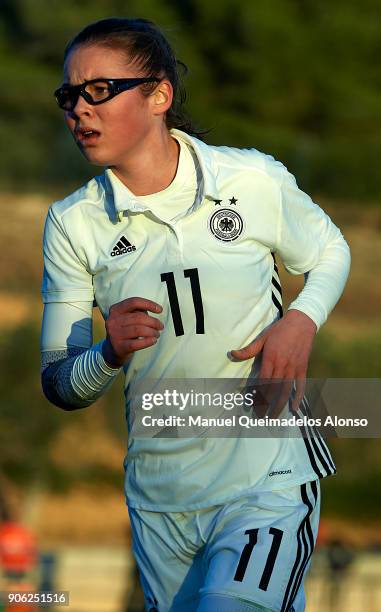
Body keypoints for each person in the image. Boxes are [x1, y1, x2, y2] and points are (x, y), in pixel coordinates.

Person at [40, 17, 351, 612]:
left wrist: (301, 320)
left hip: (268, 482)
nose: (79, 108)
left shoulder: (250, 179)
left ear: (159, 95)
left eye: (98, 90)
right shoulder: (73, 223)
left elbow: (331, 249)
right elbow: (59, 382)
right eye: (68, 94)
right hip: (161, 503)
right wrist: (107, 354)